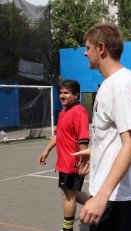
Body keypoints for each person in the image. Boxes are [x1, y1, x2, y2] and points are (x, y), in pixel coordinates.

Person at [79, 22, 131, 231]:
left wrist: (102, 197)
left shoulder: (122, 86)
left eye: (87, 48)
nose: (84, 53)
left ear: (101, 47)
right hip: (108, 194)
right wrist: (94, 151)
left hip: (116, 197)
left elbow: (130, 145)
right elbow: (114, 136)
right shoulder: (109, 83)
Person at [38, 80, 90, 231]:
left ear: (76, 95)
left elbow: (83, 138)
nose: (62, 96)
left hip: (72, 162)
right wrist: (46, 150)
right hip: (63, 161)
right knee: (70, 192)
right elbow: (58, 135)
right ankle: (100, 206)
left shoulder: (79, 111)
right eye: (60, 92)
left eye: (66, 93)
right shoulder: (63, 112)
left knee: (67, 195)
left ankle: (67, 229)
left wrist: (84, 160)